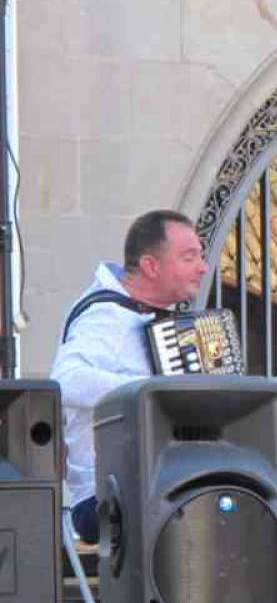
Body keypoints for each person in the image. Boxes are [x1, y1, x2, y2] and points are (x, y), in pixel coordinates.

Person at [52, 209, 209, 545]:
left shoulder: (153, 318)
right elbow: (66, 380)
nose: (202, 267)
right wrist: (156, 394)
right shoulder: (106, 316)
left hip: (160, 484)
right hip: (104, 497)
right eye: (189, 257)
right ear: (152, 266)